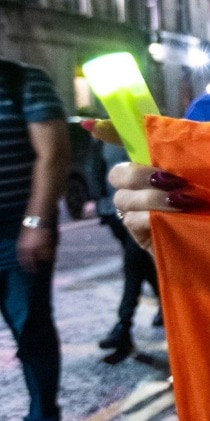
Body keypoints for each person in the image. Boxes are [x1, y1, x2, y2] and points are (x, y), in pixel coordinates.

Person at [0, 59, 70, 421]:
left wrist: (36, 222)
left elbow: (53, 155)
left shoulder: (23, 81)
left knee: (31, 328)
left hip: (15, 232)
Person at [93, 140, 159, 359]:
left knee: (133, 265)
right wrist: (102, 206)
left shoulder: (143, 128)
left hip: (143, 212)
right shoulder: (103, 135)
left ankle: (123, 325)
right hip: (114, 213)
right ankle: (165, 307)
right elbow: (96, 168)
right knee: (140, 266)